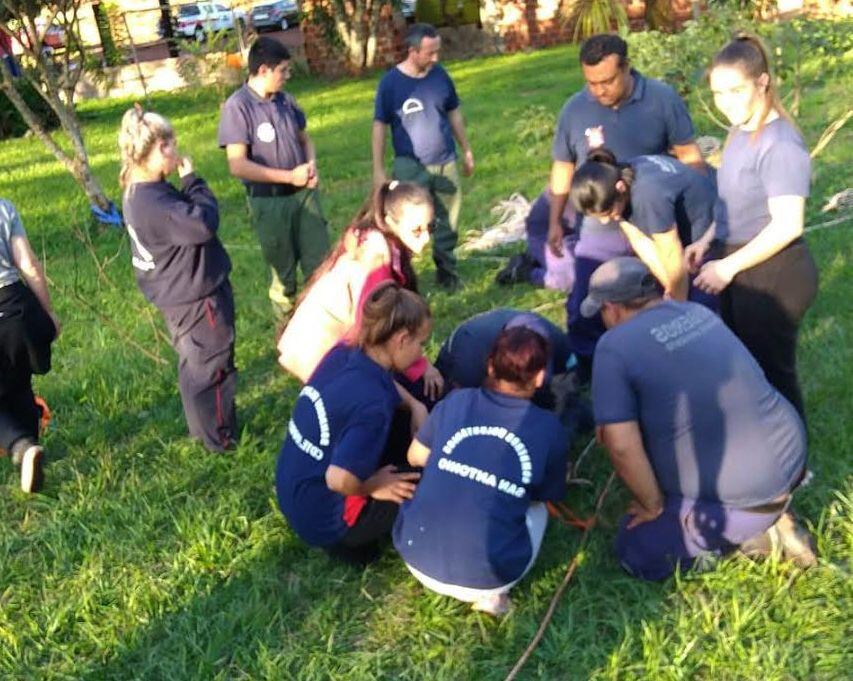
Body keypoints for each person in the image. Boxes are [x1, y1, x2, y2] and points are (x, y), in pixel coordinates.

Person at [586, 257, 815, 581]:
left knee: (636, 549)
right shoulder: (697, 312)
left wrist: (651, 505)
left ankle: (748, 533)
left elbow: (621, 445)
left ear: (611, 307)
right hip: (791, 455)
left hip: (746, 490)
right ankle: (768, 512)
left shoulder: (613, 346)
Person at [547, 33, 705, 381]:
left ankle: (670, 355)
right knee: (584, 303)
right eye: (591, 83)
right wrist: (555, 220)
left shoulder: (661, 99)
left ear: (627, 69)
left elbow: (690, 158)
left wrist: (692, 207)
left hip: (652, 214)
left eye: (606, 81)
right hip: (600, 223)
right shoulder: (575, 109)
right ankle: (590, 367)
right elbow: (563, 167)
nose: (598, 91)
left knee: (669, 287)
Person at [394, 326, 569, 615]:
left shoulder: (456, 401)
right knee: (536, 509)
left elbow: (415, 457)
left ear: (489, 366)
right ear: (539, 378)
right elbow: (546, 495)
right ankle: (495, 598)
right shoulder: (550, 428)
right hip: (488, 577)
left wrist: (460, 464)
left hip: (415, 556)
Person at [693, 34, 818, 418]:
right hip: (741, 263)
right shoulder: (740, 129)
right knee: (748, 368)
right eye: (718, 93)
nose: (726, 102)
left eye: (736, 90)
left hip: (775, 272)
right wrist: (707, 240)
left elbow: (788, 225)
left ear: (762, 83)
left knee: (772, 373)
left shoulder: (779, 144)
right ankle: (766, 451)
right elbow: (733, 199)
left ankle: (797, 466)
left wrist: (727, 267)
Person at [276, 283, 430, 564]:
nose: (421, 354)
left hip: (295, 495)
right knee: (426, 480)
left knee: (404, 418)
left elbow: (383, 386)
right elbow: (338, 479)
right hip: (329, 523)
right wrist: (374, 486)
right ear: (401, 339)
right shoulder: (374, 404)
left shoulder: (344, 352)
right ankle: (360, 541)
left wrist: (415, 405)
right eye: (421, 344)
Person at [120, 107, 237, 453]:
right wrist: (194, 181)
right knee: (212, 366)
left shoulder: (141, 190)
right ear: (153, 151)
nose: (176, 148)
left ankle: (203, 432)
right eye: (168, 143)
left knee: (194, 363)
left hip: (176, 293)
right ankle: (219, 440)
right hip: (196, 296)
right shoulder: (153, 201)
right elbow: (203, 223)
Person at [277, 181, 444, 406]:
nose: (426, 238)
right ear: (390, 221)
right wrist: (414, 391)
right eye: (416, 230)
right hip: (322, 354)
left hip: (341, 349)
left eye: (430, 228)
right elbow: (373, 345)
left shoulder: (382, 244)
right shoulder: (375, 263)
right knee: (387, 408)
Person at [219, 37, 330, 318]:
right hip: (270, 203)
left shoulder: (286, 101)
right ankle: (287, 330)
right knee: (284, 274)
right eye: (283, 70)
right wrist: (287, 177)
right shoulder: (238, 107)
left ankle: (323, 327)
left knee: (321, 265)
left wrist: (311, 165)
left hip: (304, 196)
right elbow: (237, 165)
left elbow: (306, 140)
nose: (287, 77)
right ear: (264, 70)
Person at [372, 23, 474, 291]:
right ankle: (404, 278)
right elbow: (379, 126)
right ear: (412, 51)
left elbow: (454, 113)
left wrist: (466, 150)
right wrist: (378, 169)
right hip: (410, 165)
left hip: (445, 160)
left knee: (448, 220)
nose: (435, 58)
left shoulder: (440, 76)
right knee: (408, 223)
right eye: (429, 53)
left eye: (437, 52)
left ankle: (447, 271)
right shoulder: (391, 84)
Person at [570, 148, 716, 302]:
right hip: (679, 240)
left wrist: (678, 303)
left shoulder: (648, 196)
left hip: (709, 239)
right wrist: (668, 286)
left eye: (607, 213)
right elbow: (639, 239)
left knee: (699, 305)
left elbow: (671, 253)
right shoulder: (618, 175)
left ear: (620, 188)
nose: (605, 221)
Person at [0, 200, 59, 493]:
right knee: (19, 382)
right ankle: (33, 451)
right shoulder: (4, 207)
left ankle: (22, 448)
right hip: (16, 309)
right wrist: (48, 312)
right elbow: (28, 265)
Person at [495, 188, 576, 291]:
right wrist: (554, 223)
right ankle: (525, 271)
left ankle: (539, 257)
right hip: (547, 232)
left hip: (577, 231)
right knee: (581, 278)